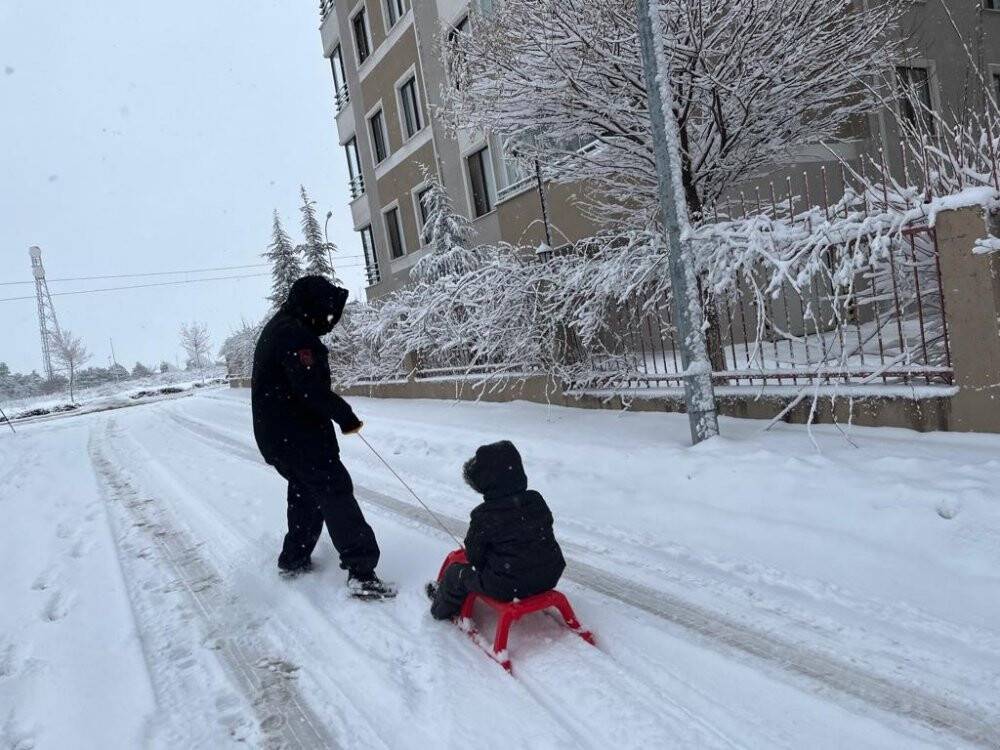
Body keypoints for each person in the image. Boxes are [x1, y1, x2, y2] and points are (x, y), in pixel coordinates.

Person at [251, 275, 393, 599]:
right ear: (313, 307)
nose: (329, 323)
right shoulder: (294, 335)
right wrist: (345, 416)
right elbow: (309, 389)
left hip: (278, 437)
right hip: (297, 435)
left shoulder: (282, 327)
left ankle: (295, 558)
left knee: (306, 491)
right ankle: (362, 572)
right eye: (328, 314)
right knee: (334, 490)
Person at [427, 441, 565, 619]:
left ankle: (440, 610)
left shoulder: (484, 515)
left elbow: (475, 556)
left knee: (456, 573)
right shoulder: (536, 500)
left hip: (506, 585)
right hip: (550, 574)